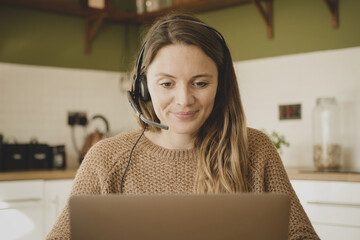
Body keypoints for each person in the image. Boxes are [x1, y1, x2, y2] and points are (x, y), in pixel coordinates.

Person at [47, 12, 319, 240]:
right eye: (166, 84)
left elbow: (301, 235)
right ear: (142, 88)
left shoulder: (255, 149)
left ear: (221, 87)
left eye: (200, 83)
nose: (184, 100)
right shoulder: (105, 159)